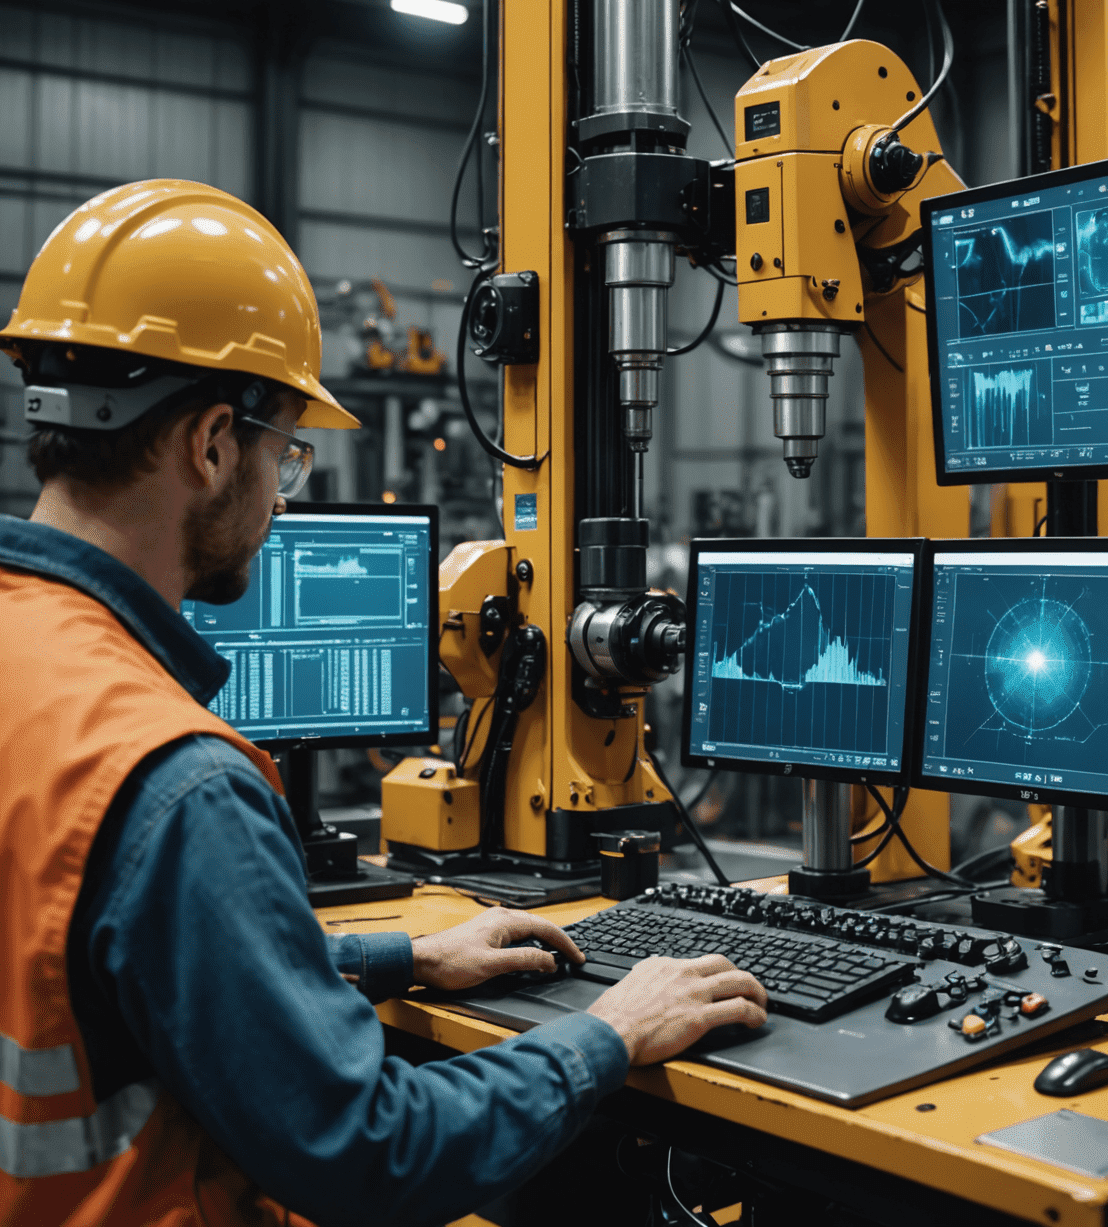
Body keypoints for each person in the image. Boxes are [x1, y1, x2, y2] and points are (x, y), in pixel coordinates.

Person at [0, 179, 767, 1227]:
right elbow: (372, 1153)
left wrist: (397, 955)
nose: (280, 496)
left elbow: (103, 964)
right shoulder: (177, 782)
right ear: (213, 442)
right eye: (285, 458)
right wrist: (612, 1033)